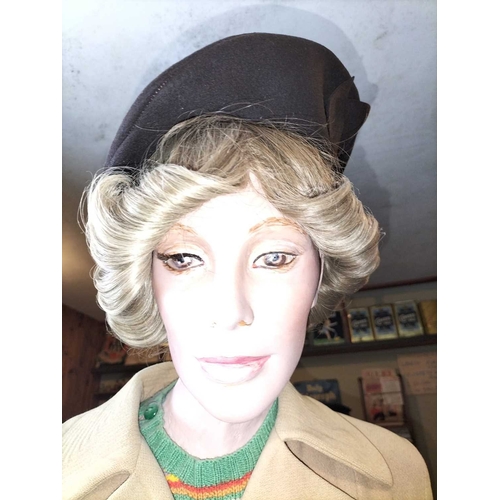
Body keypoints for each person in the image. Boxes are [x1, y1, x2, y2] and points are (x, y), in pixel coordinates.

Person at [63, 33, 433, 499]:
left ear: (321, 273)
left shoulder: (399, 474)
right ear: (146, 281)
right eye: (183, 258)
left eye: (274, 257)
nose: (230, 311)